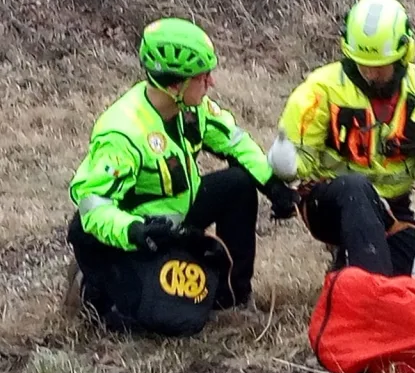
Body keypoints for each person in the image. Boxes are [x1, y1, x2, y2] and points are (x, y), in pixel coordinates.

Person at [66, 18, 299, 336]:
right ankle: (90, 286)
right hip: (134, 234)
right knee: (169, 322)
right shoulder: (122, 132)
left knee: (238, 185)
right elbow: (93, 206)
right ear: (174, 85)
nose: (211, 83)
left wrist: (272, 185)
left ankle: (232, 300)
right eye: (202, 77)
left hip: (176, 215)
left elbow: (234, 142)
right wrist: (136, 232)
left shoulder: (193, 108)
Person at [269, 0, 415, 284]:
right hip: (330, 202)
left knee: (409, 281)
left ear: (404, 54)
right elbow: (303, 160)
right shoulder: (320, 90)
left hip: (391, 209)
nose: (370, 74)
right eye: (362, 64)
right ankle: (368, 290)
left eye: (380, 66)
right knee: (356, 188)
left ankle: (353, 270)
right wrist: (288, 165)